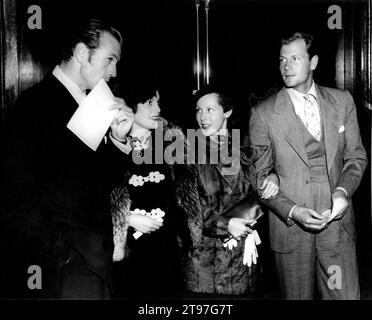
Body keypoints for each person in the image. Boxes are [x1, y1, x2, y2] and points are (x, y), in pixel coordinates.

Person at [0, 18, 135, 299]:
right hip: (65, 268)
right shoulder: (34, 105)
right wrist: (61, 255)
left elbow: (98, 181)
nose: (114, 71)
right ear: (82, 53)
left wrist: (120, 139)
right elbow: (18, 195)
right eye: (109, 59)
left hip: (93, 259)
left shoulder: (91, 103)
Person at [249, 32, 368, 299]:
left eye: (295, 58)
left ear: (313, 62)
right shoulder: (264, 113)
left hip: (336, 223)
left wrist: (342, 193)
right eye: (282, 59)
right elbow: (260, 176)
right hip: (291, 229)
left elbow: (356, 158)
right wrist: (292, 210)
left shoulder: (342, 102)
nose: (286, 66)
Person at [183, 86, 279, 297]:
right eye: (198, 110)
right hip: (206, 270)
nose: (203, 117)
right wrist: (226, 224)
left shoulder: (245, 146)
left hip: (244, 264)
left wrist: (273, 175)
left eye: (210, 109)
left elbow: (259, 183)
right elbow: (187, 210)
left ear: (227, 111)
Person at [110, 84, 192, 299]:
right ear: (129, 106)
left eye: (157, 102)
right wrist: (126, 218)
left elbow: (186, 197)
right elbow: (88, 198)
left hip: (167, 250)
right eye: (148, 102)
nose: (157, 108)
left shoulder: (172, 145)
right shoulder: (111, 147)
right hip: (128, 253)